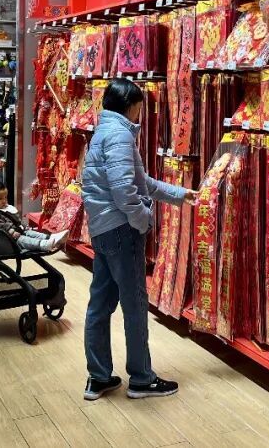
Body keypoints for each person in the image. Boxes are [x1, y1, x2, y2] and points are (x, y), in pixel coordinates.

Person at [81, 78, 198, 402]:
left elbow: (137, 179)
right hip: (121, 230)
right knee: (134, 305)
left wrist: (178, 194)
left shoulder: (104, 131)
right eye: (138, 107)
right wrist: (142, 218)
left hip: (102, 228)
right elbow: (125, 190)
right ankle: (142, 379)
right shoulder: (120, 135)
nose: (139, 113)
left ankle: (98, 377)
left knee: (100, 303)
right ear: (131, 105)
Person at [0, 179, 67, 253]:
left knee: (29, 232)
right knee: (22, 239)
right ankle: (42, 244)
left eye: (5, 197)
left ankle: (51, 238)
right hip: (6, 239)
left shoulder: (3, 209)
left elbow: (15, 220)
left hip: (17, 231)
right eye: (0, 198)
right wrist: (11, 231)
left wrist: (24, 226)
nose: (4, 201)